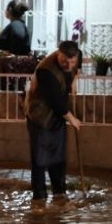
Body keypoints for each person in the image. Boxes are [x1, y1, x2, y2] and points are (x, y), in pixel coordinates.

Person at [24, 40, 82, 202]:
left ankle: (59, 192)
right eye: (65, 60)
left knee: (59, 156)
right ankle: (39, 196)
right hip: (40, 115)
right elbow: (56, 102)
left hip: (58, 115)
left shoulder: (77, 57)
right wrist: (72, 119)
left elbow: (76, 68)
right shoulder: (45, 71)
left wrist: (74, 80)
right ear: (58, 53)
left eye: (72, 61)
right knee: (40, 158)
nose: (68, 64)